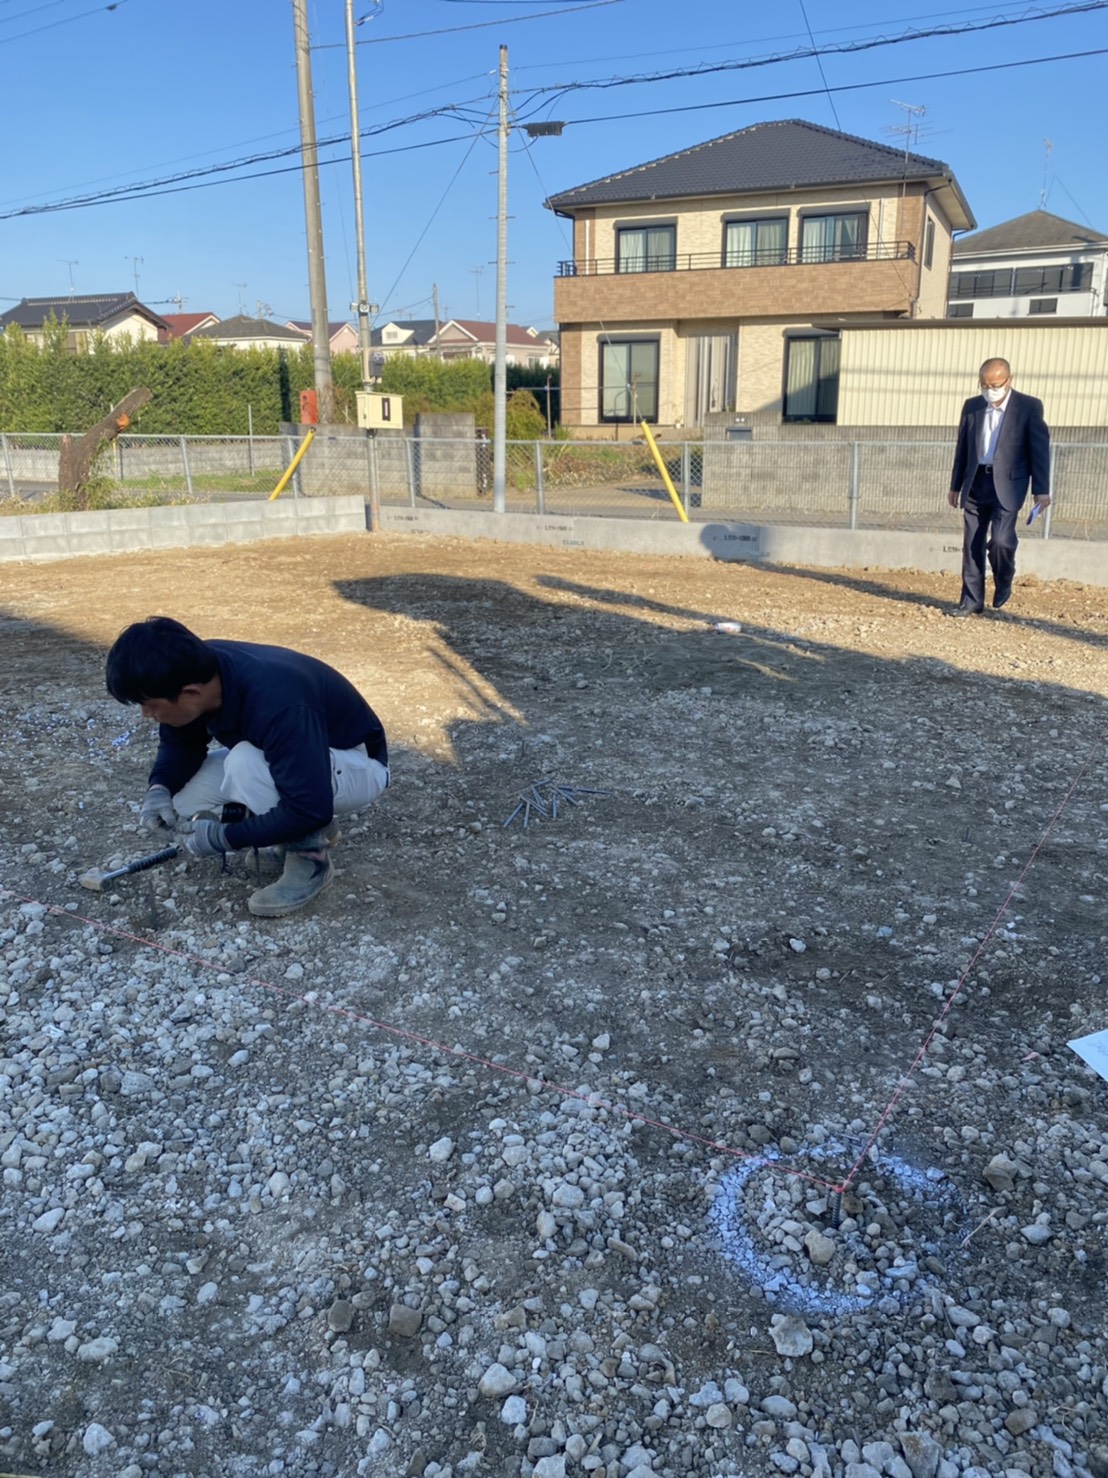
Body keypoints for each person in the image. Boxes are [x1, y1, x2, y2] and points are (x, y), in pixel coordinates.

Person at [105, 616, 388, 917]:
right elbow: (180, 744)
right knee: (182, 798)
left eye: (150, 704)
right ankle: (302, 830)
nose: (146, 714)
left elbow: (309, 807)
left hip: (357, 762)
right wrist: (159, 788)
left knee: (245, 764)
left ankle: (310, 857)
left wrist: (224, 837)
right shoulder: (192, 671)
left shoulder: (277, 700)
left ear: (190, 693)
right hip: (302, 759)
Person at [947, 357, 1051, 615]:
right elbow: (963, 448)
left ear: (1008, 380)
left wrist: (1042, 489)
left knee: (1002, 541)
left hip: (1008, 484)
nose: (988, 390)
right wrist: (955, 485)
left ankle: (1004, 577)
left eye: (994, 384)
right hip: (975, 481)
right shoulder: (972, 406)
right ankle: (971, 601)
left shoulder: (1028, 406)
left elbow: (1039, 450)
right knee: (972, 544)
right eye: (983, 384)